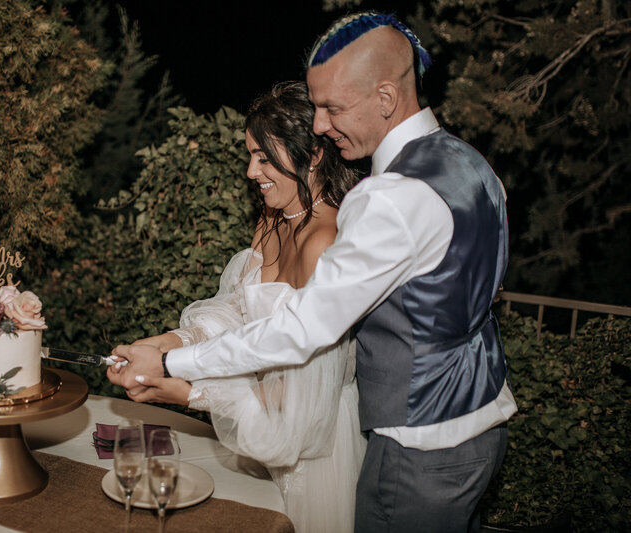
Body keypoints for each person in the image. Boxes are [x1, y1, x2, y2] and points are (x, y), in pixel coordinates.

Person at [110, 11, 516, 533]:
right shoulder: (471, 165)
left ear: (387, 99)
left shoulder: (388, 197)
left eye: (331, 107)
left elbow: (304, 327)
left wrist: (176, 365)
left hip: (420, 443)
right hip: (481, 420)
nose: (320, 125)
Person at [112, 81, 365, 532]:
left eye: (264, 157)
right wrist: (166, 345)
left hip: (307, 442)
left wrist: (189, 392)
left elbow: (299, 400)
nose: (251, 171)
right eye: (251, 155)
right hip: (251, 420)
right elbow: (235, 310)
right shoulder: (274, 216)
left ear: (312, 155)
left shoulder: (326, 242)